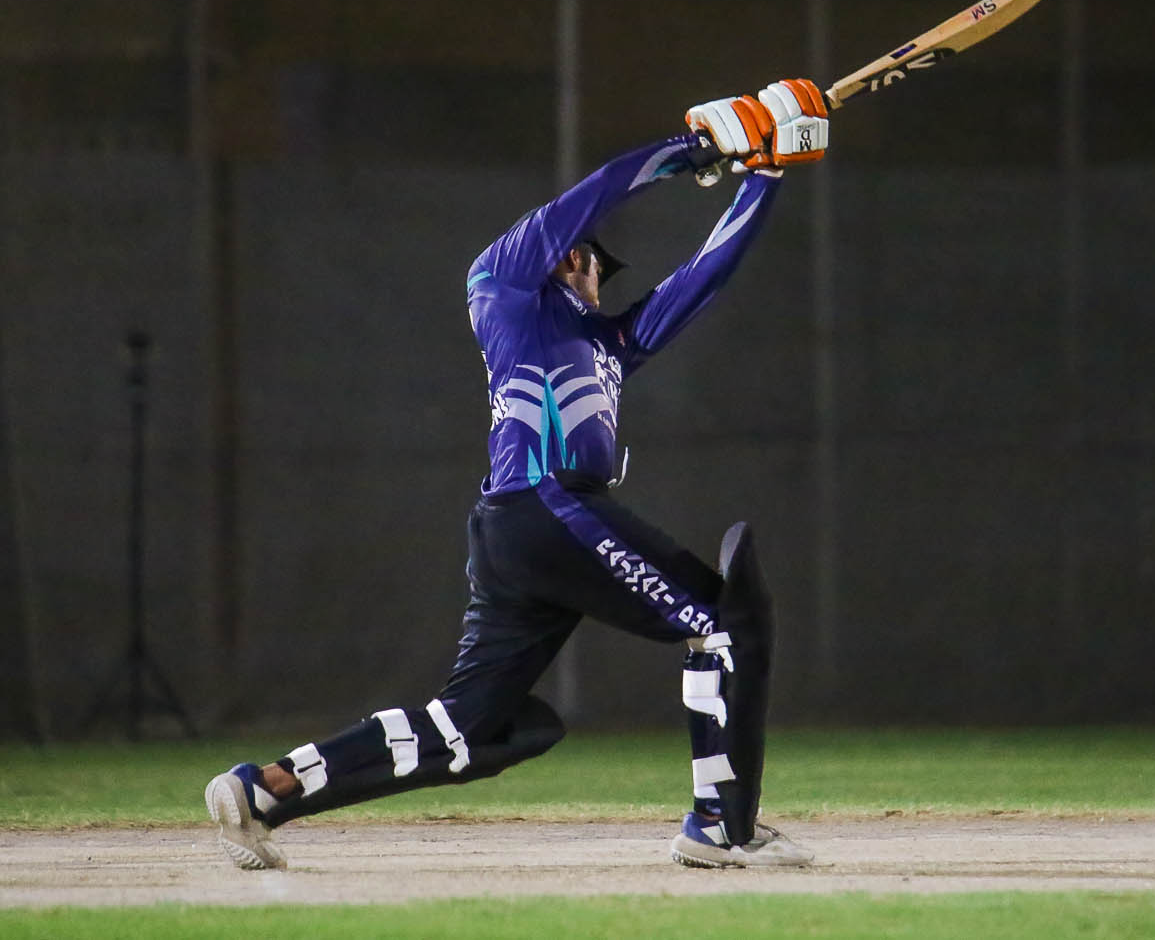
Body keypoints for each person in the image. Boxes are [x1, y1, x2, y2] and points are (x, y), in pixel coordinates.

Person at [204, 79, 831, 871]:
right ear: (570, 257)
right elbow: (595, 195)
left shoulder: (607, 342)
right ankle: (721, 825)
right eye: (593, 263)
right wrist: (695, 150)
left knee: (471, 726)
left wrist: (765, 178)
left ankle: (266, 789)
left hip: (523, 530)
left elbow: (701, 277)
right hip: (545, 506)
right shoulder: (503, 285)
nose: (598, 276)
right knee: (725, 624)